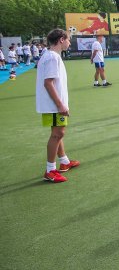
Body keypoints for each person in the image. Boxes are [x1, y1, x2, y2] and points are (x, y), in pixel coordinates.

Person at [37, 29, 80, 183]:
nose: (69, 43)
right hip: (54, 105)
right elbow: (48, 83)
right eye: (68, 39)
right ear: (61, 39)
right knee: (58, 134)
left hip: (53, 104)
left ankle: (64, 162)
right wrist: (61, 105)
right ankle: (50, 170)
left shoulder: (50, 56)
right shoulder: (52, 57)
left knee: (57, 133)